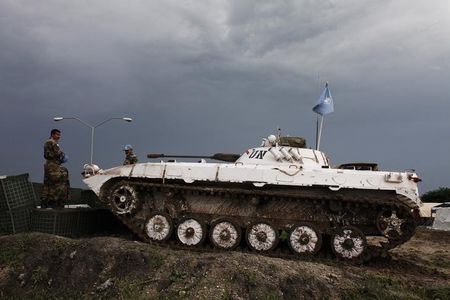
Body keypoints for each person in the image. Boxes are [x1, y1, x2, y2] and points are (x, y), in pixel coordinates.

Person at [40, 129, 70, 209]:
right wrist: (62, 155)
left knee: (47, 184)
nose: (59, 137)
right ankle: (54, 202)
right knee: (56, 183)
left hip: (50, 165)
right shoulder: (52, 142)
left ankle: (45, 203)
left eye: (59, 135)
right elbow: (58, 154)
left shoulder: (49, 142)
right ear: (53, 134)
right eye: (57, 135)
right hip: (53, 166)